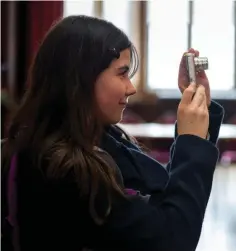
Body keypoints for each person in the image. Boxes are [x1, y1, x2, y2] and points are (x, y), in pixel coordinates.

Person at [1, 15, 224, 251]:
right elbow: (171, 240)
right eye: (122, 73)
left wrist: (199, 121)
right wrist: (192, 142)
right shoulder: (64, 169)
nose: (131, 87)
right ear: (82, 78)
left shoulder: (93, 141)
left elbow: (162, 197)